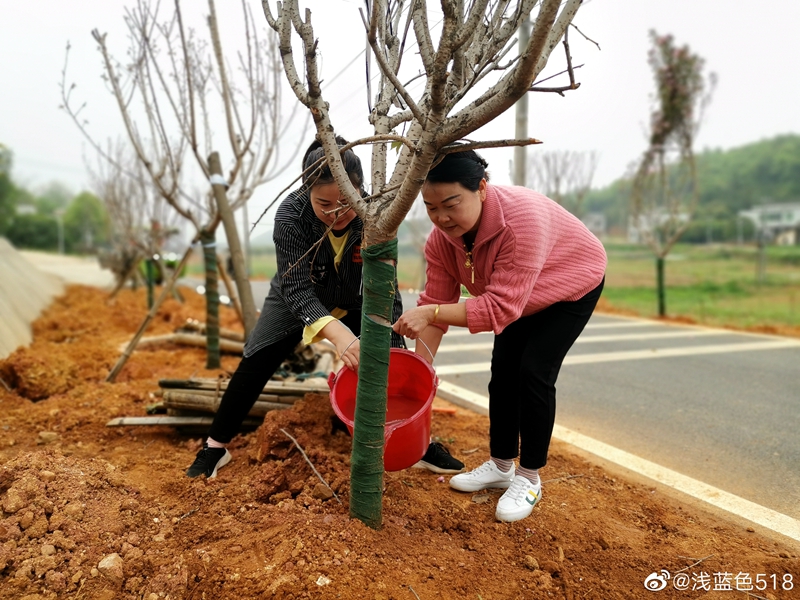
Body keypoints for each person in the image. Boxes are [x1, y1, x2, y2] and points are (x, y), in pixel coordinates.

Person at [186, 136, 464, 478]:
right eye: (324, 204)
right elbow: (296, 287)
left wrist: (388, 333)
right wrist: (340, 337)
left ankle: (417, 442)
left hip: (359, 296)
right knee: (258, 357)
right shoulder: (291, 215)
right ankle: (215, 447)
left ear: (360, 189)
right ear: (307, 193)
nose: (337, 212)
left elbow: (386, 285)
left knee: (391, 357)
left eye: (347, 201)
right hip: (300, 296)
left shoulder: (376, 214)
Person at [393, 149, 606, 522]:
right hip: (517, 296)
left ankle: (529, 477)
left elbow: (493, 311)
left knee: (533, 373)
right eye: (430, 207)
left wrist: (432, 312)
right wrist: (419, 371)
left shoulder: (522, 222)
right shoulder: (441, 241)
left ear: (482, 188)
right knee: (503, 374)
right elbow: (437, 305)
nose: (441, 217)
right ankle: (501, 465)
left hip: (572, 284)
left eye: (451, 203)